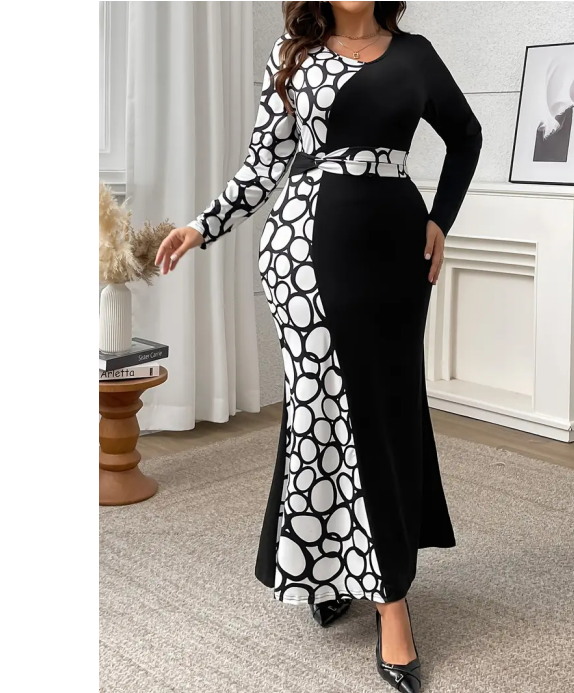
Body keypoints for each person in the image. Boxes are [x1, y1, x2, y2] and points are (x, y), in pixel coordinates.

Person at [155, 2, 482, 690]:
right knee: (319, 412)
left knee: (384, 413)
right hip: (302, 251)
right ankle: (375, 595)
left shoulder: (415, 55)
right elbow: (263, 163)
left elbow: (466, 135)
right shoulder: (292, 54)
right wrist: (202, 226)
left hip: (395, 253)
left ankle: (362, 573)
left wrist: (440, 220)